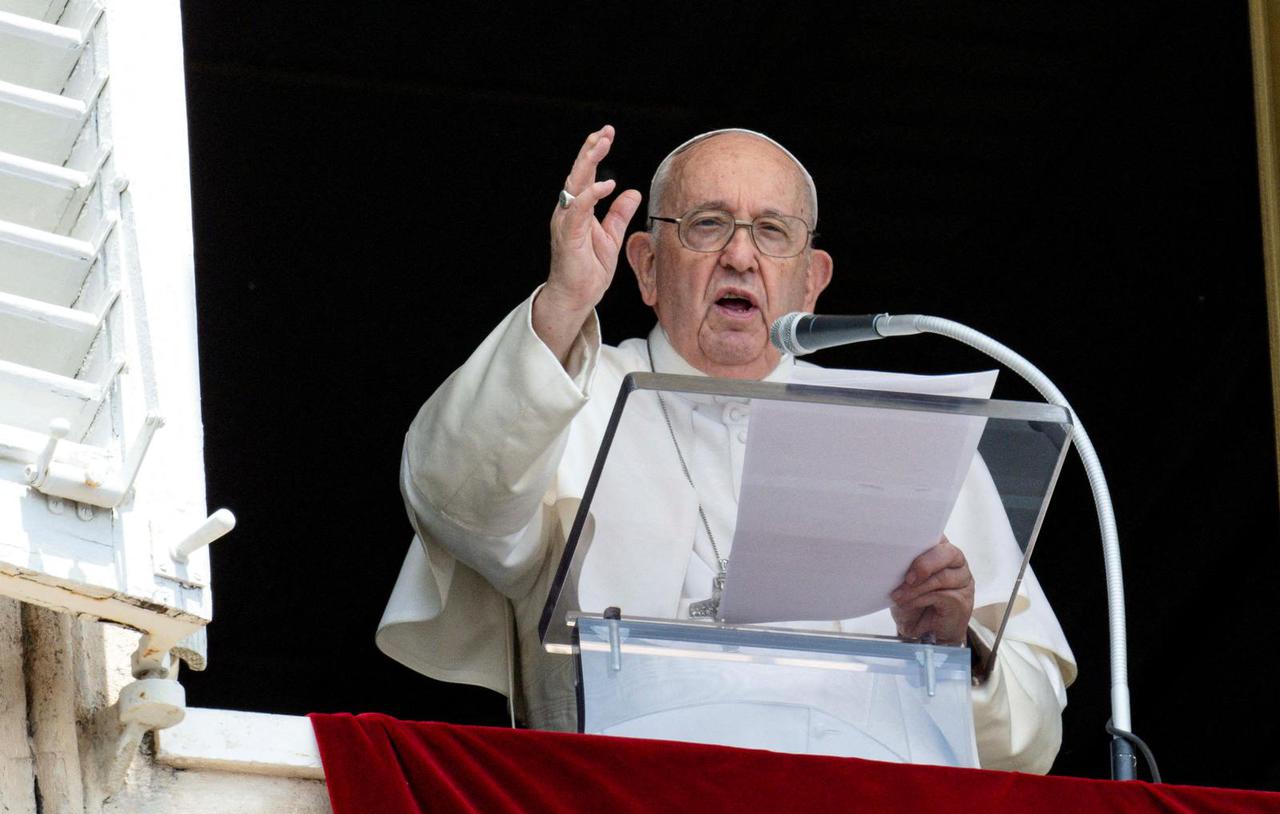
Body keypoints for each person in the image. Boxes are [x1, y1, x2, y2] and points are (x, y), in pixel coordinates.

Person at [378, 126, 1076, 772]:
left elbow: (1036, 732)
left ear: (812, 279)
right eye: (709, 224)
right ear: (646, 267)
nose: (740, 256)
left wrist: (956, 651)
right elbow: (454, 500)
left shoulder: (908, 433)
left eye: (772, 232)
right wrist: (562, 304)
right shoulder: (568, 397)